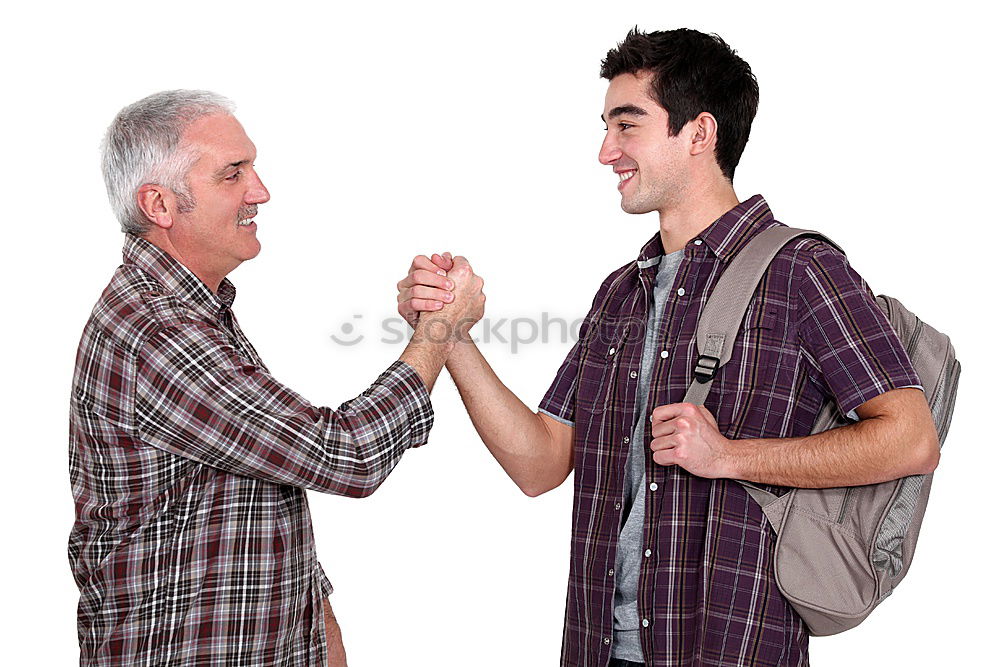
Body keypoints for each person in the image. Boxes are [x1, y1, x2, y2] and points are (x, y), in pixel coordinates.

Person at [397, 29, 939, 667]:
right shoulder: (623, 293)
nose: (605, 151)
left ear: (700, 133)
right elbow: (540, 463)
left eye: (628, 126)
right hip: (600, 649)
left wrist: (729, 456)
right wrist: (449, 335)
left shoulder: (801, 271)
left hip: (727, 651)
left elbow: (911, 438)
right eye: (606, 127)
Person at [68, 90, 484, 667]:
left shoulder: (194, 311)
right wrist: (437, 333)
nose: (260, 192)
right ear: (159, 204)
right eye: (232, 174)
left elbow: (262, 494)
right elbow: (345, 454)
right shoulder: (159, 333)